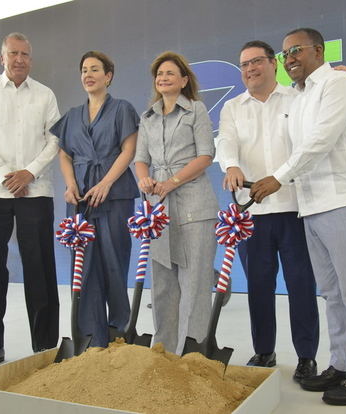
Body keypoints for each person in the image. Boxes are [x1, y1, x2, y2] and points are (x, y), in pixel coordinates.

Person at [251, 28, 346, 406]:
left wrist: (278, 177)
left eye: (297, 50)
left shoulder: (338, 84)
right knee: (333, 294)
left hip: (344, 200)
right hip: (312, 206)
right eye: (284, 53)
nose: (290, 58)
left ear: (319, 51)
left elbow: (320, 141)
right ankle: (341, 365)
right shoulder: (299, 95)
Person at [215, 40, 319, 381]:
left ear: (273, 63)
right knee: (259, 287)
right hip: (251, 214)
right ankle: (264, 351)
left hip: (294, 208)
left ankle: (306, 357)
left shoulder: (297, 98)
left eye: (256, 62)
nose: (249, 69)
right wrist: (230, 165)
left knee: (300, 285)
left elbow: (307, 146)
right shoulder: (232, 107)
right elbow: (226, 141)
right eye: (244, 64)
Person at [0, 32, 61, 371]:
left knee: (40, 267)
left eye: (25, 53)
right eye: (13, 53)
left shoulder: (45, 95)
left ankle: (45, 346)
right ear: (2, 57)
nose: (19, 59)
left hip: (35, 191)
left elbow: (55, 140)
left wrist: (29, 173)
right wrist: (8, 174)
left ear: (31, 59)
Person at [49, 51, 139, 348]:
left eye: (95, 69)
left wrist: (105, 183)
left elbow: (128, 150)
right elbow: (64, 154)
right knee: (83, 268)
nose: (88, 74)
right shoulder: (72, 115)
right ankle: (90, 338)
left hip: (114, 196)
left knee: (114, 263)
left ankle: (118, 334)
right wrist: (70, 183)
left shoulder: (122, 109)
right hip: (80, 198)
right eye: (84, 70)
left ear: (108, 76)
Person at [134, 51, 218, 355]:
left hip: (195, 203)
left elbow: (206, 155)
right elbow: (140, 160)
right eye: (159, 74)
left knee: (195, 283)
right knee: (164, 283)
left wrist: (173, 181)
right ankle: (164, 352)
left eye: (170, 73)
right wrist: (145, 180)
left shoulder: (195, 110)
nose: (163, 78)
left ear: (184, 80)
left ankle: (192, 354)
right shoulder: (148, 118)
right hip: (159, 207)